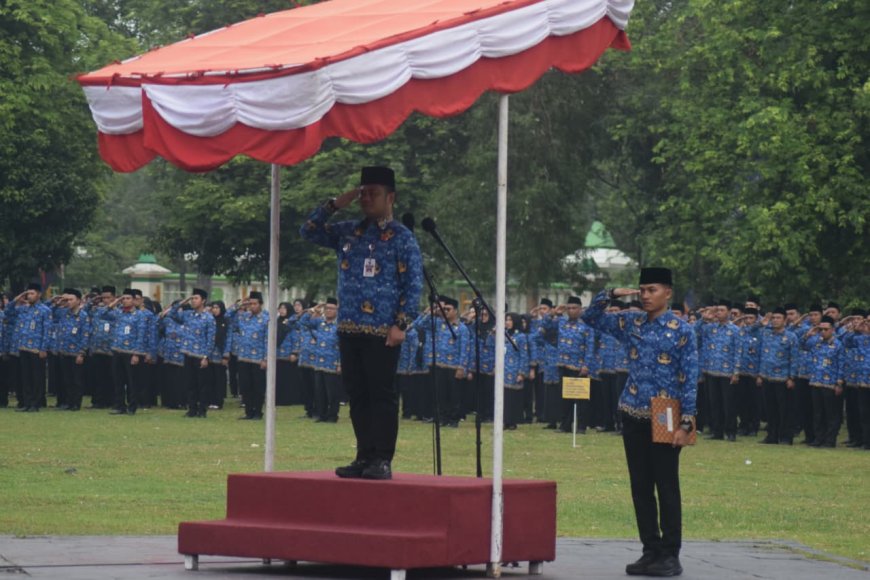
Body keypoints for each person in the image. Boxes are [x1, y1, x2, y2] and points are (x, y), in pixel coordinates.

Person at [300, 166, 423, 480]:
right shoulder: (348, 231)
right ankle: (363, 455)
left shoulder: (401, 237)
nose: (366, 199)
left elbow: (413, 285)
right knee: (356, 395)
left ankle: (382, 458)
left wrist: (401, 323)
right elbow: (309, 230)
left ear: (390, 197)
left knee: (381, 395)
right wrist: (334, 204)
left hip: (383, 330)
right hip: (349, 327)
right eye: (363, 192)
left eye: (374, 193)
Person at [582, 267, 698, 578]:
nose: (646, 296)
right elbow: (589, 318)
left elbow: (689, 379)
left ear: (668, 293)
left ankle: (671, 554)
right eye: (642, 290)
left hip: (666, 413)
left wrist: (686, 423)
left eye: (652, 290)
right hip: (632, 409)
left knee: (667, 485)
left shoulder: (682, 329)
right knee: (640, 487)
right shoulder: (630, 322)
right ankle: (651, 550)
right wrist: (610, 295)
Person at [542, 296, 595, 434]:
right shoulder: (561, 322)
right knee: (565, 397)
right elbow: (545, 326)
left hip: (579, 366)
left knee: (581, 398)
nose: (571, 311)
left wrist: (586, 365)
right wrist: (553, 313)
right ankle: (565, 425)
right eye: (569, 308)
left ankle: (581, 426)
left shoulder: (587, 325)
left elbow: (590, 346)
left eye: (574, 308)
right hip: (563, 364)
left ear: (580, 309)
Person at [167, 288, 216, 418]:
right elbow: (171, 314)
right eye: (192, 298)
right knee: (190, 384)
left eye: (196, 298)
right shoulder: (188, 315)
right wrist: (183, 302)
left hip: (200, 355)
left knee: (202, 385)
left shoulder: (208, 318)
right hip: (188, 353)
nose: (193, 301)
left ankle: (202, 410)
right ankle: (192, 409)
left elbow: (210, 339)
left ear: (203, 301)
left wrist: (206, 356)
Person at [756, 307, 800, 445]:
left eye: (778, 318)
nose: (775, 321)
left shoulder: (791, 337)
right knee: (770, 409)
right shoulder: (766, 334)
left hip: (783, 378)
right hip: (767, 377)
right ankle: (772, 436)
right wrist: (760, 375)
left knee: (785, 410)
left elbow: (794, 358)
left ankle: (786, 436)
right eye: (773, 318)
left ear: (785, 320)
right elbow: (762, 355)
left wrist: (792, 377)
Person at [5, 283, 52, 412]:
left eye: (32, 293)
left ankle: (36, 403)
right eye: (28, 294)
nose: (29, 296)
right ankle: (27, 402)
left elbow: (47, 330)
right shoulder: (23, 308)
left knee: (36, 377)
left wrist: (43, 348)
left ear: (39, 295)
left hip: (36, 348)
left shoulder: (45, 310)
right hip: (23, 346)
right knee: (25, 377)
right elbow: (8, 311)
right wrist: (17, 298)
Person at [802, 316, 845, 447]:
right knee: (818, 413)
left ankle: (830, 440)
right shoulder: (816, 342)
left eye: (826, 329)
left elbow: (841, 364)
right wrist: (808, 335)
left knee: (831, 414)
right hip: (816, 381)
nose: (823, 332)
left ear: (832, 329)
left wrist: (839, 383)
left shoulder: (838, 345)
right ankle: (818, 438)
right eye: (821, 329)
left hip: (830, 383)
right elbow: (803, 346)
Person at [226, 292, 268, 420]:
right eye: (250, 304)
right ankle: (248, 411)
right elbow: (227, 316)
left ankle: (258, 412)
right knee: (245, 386)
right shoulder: (243, 317)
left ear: (260, 304)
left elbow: (268, 340)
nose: (252, 306)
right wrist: (239, 305)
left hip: (258, 358)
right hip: (243, 356)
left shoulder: (266, 318)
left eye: (255, 304)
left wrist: (265, 358)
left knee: (258, 386)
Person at [52, 289, 90, 411]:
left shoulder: (83, 316)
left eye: (71, 299)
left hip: (76, 353)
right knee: (66, 379)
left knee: (76, 380)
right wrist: (59, 302)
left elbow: (85, 335)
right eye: (66, 300)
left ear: (78, 301)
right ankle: (68, 402)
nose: (68, 302)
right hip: (64, 351)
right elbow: (50, 311)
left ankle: (76, 403)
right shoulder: (64, 313)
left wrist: (81, 353)